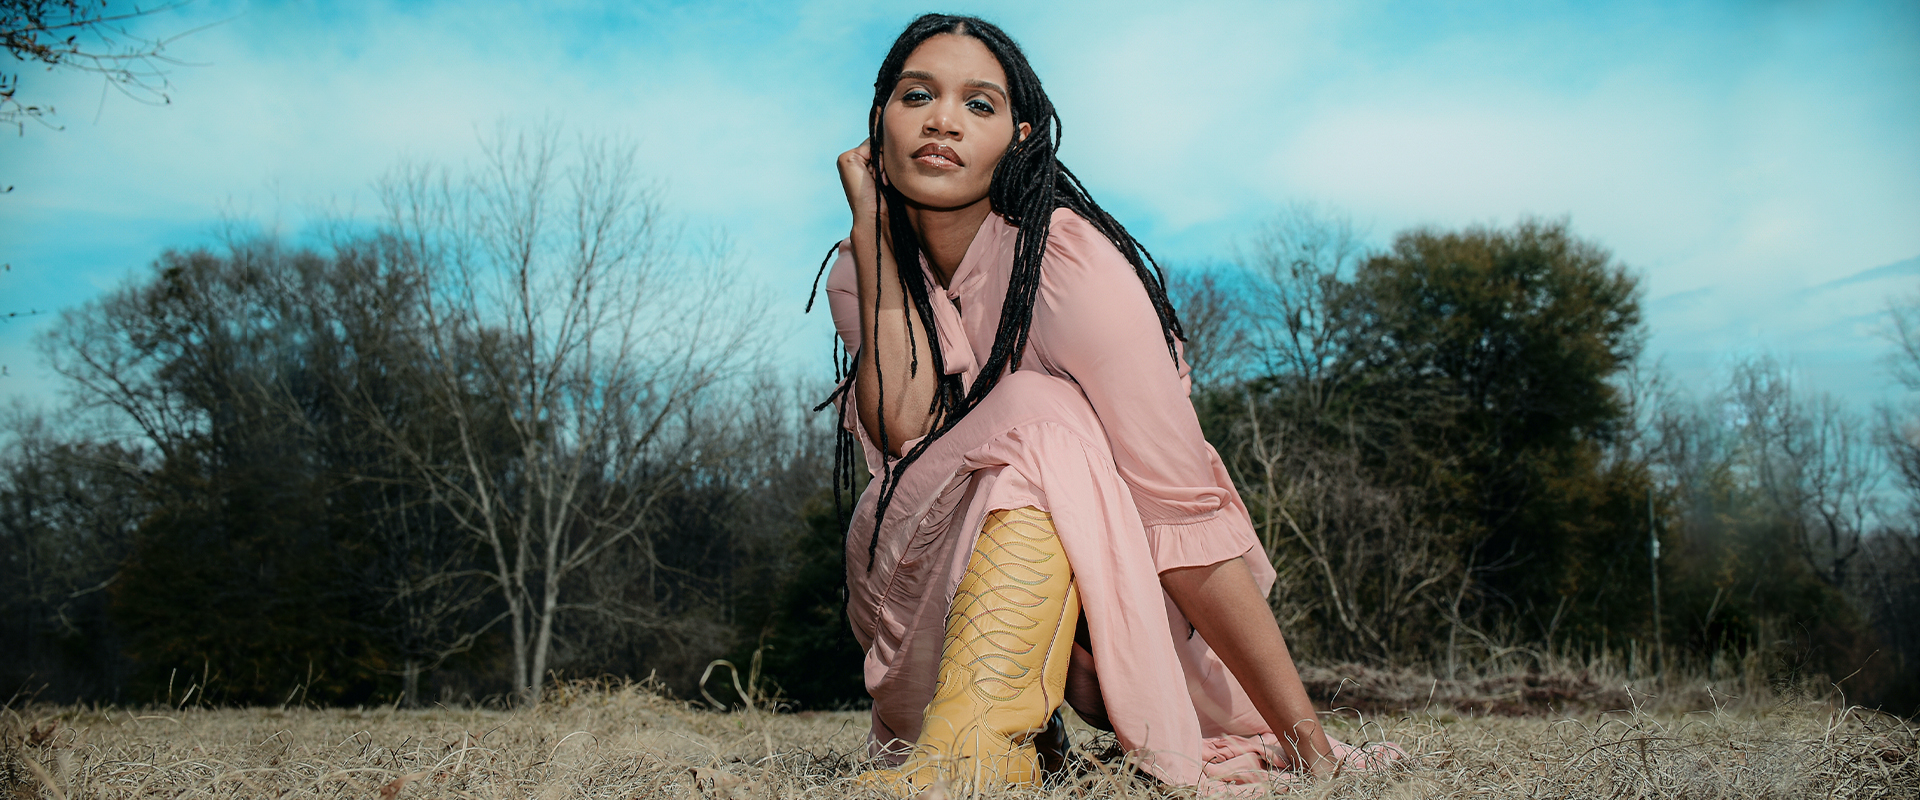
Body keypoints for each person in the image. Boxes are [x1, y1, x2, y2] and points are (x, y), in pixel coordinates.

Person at [814, 13, 1401, 794]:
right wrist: (874, 232)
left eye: (979, 105)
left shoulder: (1067, 265)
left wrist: (1311, 745)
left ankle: (980, 758)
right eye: (916, 94)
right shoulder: (863, 270)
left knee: (1043, 413)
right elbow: (902, 433)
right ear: (878, 124)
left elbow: (1181, 507)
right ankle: (985, 742)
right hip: (914, 597)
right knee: (1040, 412)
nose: (943, 120)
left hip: (1104, 608)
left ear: (1021, 138)